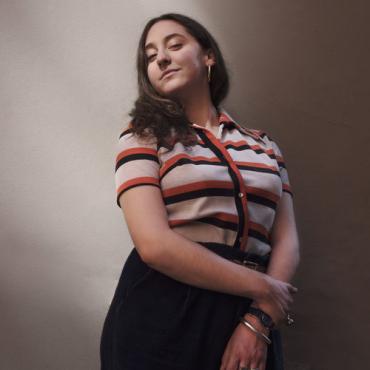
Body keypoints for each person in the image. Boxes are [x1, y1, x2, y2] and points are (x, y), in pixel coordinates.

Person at [100, 12, 300, 370]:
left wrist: (260, 318)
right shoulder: (141, 136)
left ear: (208, 56)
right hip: (165, 309)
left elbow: (287, 242)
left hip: (252, 311)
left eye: (174, 45)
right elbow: (154, 245)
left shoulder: (265, 146)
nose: (160, 57)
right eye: (150, 55)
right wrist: (264, 288)